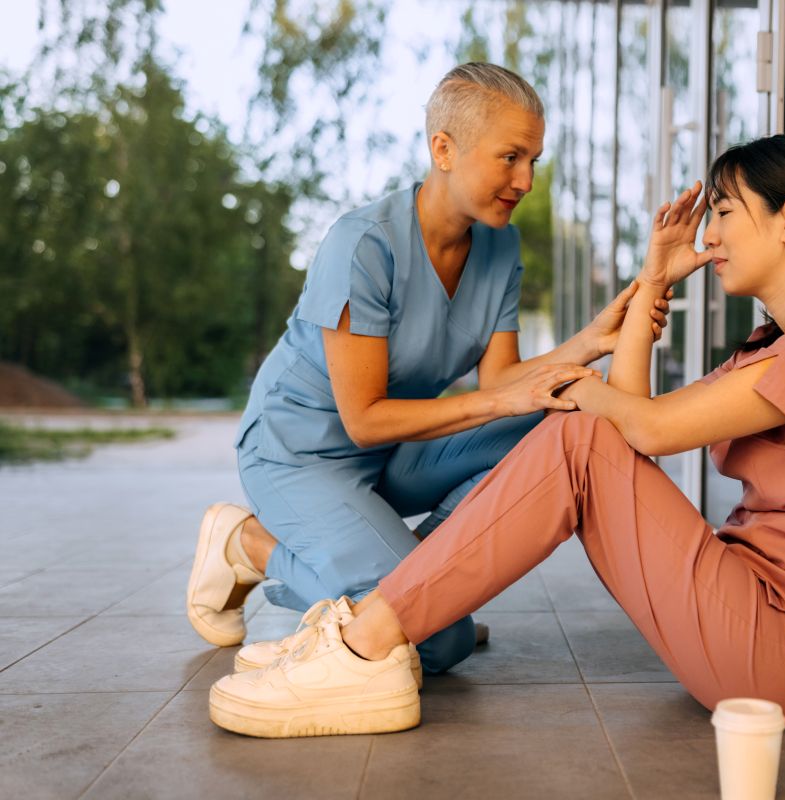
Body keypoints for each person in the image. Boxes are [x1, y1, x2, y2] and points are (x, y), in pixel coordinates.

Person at [206, 134, 785, 738]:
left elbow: (636, 425)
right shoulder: (779, 345)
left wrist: (548, 388)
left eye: (726, 212)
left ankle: (362, 648)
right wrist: (652, 280)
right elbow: (637, 425)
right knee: (587, 434)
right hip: (752, 614)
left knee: (580, 436)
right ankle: (371, 631)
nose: (709, 234)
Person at [184, 62, 672, 676]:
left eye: (534, 162)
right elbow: (363, 420)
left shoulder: (500, 245)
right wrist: (504, 403)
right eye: (511, 157)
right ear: (444, 148)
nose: (524, 180)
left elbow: (502, 383)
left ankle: (411, 581)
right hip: (300, 455)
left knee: (548, 423)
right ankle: (250, 545)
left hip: (396, 454)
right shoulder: (362, 245)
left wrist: (592, 341)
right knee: (438, 644)